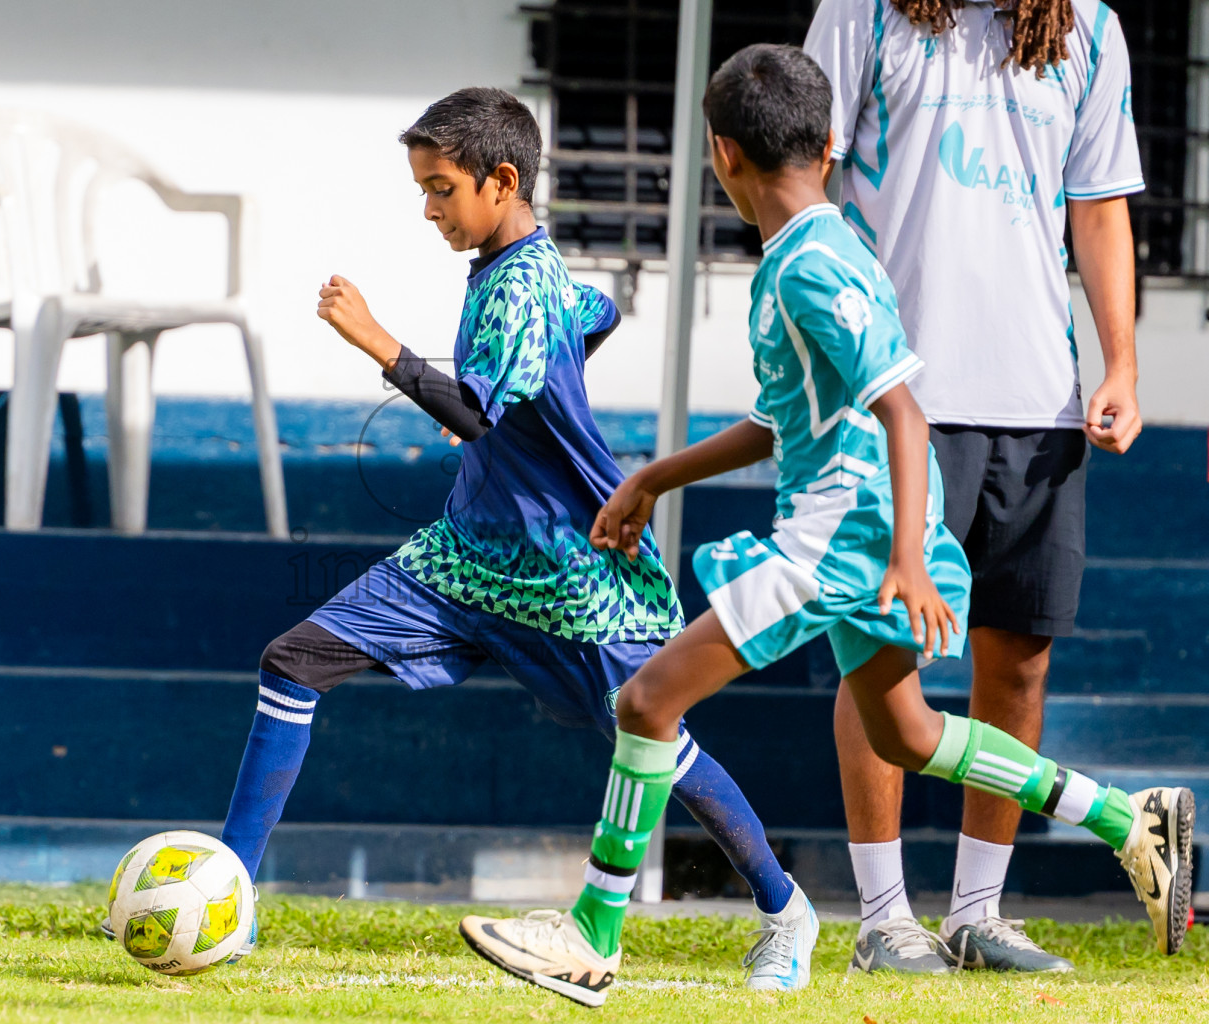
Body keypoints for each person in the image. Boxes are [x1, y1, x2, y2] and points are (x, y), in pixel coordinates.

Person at [458, 44, 1193, 1009]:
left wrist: (905, 559)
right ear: (833, 141)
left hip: (836, 537)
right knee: (910, 734)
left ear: (720, 155)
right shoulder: (828, 244)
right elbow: (786, 418)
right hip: (862, 530)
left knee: (645, 702)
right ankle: (1126, 819)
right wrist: (659, 477)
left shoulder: (806, 267)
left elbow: (904, 409)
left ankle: (593, 934)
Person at [216, 86, 819, 990]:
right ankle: (228, 900)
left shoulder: (524, 284)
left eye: (441, 189)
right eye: (421, 189)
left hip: (564, 571)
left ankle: (786, 912)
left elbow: (473, 411)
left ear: (502, 181)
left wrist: (378, 341)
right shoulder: (529, 281)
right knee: (293, 661)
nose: (428, 209)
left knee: (653, 734)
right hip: (463, 558)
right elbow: (593, 319)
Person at [804, 0, 1151, 973]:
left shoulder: (1087, 24)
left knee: (1020, 661)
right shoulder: (863, 11)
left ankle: (976, 912)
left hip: (1039, 398)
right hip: (891, 394)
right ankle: (882, 917)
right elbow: (805, 179)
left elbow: (1099, 204)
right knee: (884, 660)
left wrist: (1119, 362)